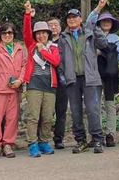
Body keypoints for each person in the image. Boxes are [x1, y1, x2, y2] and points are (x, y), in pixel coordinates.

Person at [59, 0, 110, 154]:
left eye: (75, 17)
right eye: (69, 18)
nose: (72, 20)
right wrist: (63, 76)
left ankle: (97, 140)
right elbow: (60, 59)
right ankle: (80, 140)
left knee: (92, 109)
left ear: (81, 19)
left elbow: (104, 44)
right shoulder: (63, 37)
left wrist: (96, 29)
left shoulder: (89, 33)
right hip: (72, 79)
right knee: (75, 111)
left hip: (90, 78)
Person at [22, 1, 61, 158]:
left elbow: (56, 62)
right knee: (33, 116)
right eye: (38, 33)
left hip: (50, 85)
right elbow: (25, 31)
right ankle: (32, 143)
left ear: (48, 34)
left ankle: (44, 141)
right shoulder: (31, 45)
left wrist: (43, 51)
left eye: (44, 32)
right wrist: (27, 14)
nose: (41, 35)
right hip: (34, 84)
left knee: (47, 116)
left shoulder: (53, 47)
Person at [0, 22, 26, 159]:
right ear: (0, 35)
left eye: (10, 33)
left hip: (14, 89)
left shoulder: (19, 48)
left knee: (12, 119)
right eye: (4, 33)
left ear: (14, 35)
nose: (7, 35)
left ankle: (8, 144)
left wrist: (20, 80)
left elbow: (24, 66)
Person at [96, 10, 119, 147]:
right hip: (96, 73)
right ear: (99, 23)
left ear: (112, 24)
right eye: (103, 21)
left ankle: (111, 133)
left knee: (110, 104)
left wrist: (103, 52)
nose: (106, 23)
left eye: (108, 21)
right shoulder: (94, 37)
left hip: (110, 74)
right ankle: (97, 133)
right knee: (96, 103)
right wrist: (109, 51)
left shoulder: (115, 38)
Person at [47, 17, 67, 149]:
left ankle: (58, 138)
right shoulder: (43, 42)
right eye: (50, 25)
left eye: (56, 25)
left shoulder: (65, 41)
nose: (53, 27)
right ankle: (42, 138)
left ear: (60, 27)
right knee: (46, 113)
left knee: (61, 111)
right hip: (46, 80)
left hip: (62, 80)